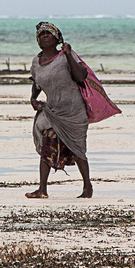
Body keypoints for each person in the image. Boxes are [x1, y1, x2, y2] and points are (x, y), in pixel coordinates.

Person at [26, 22, 93, 199]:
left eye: (48, 33)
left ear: (57, 38)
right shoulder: (36, 62)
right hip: (53, 111)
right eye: (41, 35)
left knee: (78, 149)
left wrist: (69, 54)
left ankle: (87, 187)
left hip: (74, 111)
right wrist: (33, 99)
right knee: (47, 146)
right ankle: (42, 189)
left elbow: (80, 76)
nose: (44, 36)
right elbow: (36, 83)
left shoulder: (66, 57)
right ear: (38, 42)